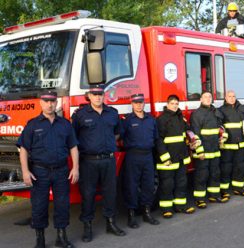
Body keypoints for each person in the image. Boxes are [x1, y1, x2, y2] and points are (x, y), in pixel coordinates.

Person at [17, 91, 79, 248]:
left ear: (56, 103)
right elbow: (23, 149)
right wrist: (25, 171)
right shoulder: (32, 125)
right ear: (41, 103)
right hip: (39, 172)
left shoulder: (65, 124)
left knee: (62, 205)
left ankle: (61, 237)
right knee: (39, 206)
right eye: (46, 101)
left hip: (61, 171)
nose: (50, 104)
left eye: (52, 101)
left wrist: (76, 168)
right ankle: (40, 240)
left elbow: (73, 147)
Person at [71, 85, 126, 242]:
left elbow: (117, 133)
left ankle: (111, 223)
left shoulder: (112, 113)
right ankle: (87, 227)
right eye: (94, 94)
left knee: (110, 193)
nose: (97, 97)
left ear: (104, 95)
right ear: (89, 95)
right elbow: (73, 138)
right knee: (88, 195)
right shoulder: (80, 115)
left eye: (100, 94)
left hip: (108, 160)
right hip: (89, 161)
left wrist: (105, 144)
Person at [121, 93, 160, 228]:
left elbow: (156, 137)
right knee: (131, 186)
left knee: (148, 185)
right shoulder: (127, 120)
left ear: (144, 103)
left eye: (141, 102)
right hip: (133, 156)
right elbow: (120, 137)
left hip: (148, 156)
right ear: (132, 104)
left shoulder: (151, 119)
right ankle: (131, 215)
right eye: (136, 103)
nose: (138, 105)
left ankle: (147, 212)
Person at [156, 95, 195, 218]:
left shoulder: (181, 118)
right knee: (167, 184)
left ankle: (180, 206)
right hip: (168, 159)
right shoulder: (161, 119)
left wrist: (193, 141)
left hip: (181, 157)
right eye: (172, 103)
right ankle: (166, 209)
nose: (174, 105)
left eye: (176, 104)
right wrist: (165, 157)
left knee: (181, 183)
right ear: (167, 104)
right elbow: (158, 140)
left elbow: (188, 132)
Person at [190, 91, 229, 209]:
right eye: (205, 97)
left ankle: (214, 195)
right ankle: (200, 199)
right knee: (202, 176)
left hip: (215, 149)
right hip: (204, 151)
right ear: (201, 99)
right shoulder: (197, 114)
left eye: (209, 97)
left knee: (215, 174)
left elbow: (221, 127)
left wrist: (223, 137)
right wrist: (200, 151)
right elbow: (195, 135)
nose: (208, 99)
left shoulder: (215, 112)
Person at [218, 90, 244, 197]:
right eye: (229, 96)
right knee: (226, 168)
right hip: (228, 145)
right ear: (225, 98)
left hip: (240, 144)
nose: (232, 98)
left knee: (240, 167)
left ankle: (238, 188)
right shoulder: (221, 110)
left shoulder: (242, 109)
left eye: (233, 96)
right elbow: (219, 124)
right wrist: (222, 136)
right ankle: (224, 190)